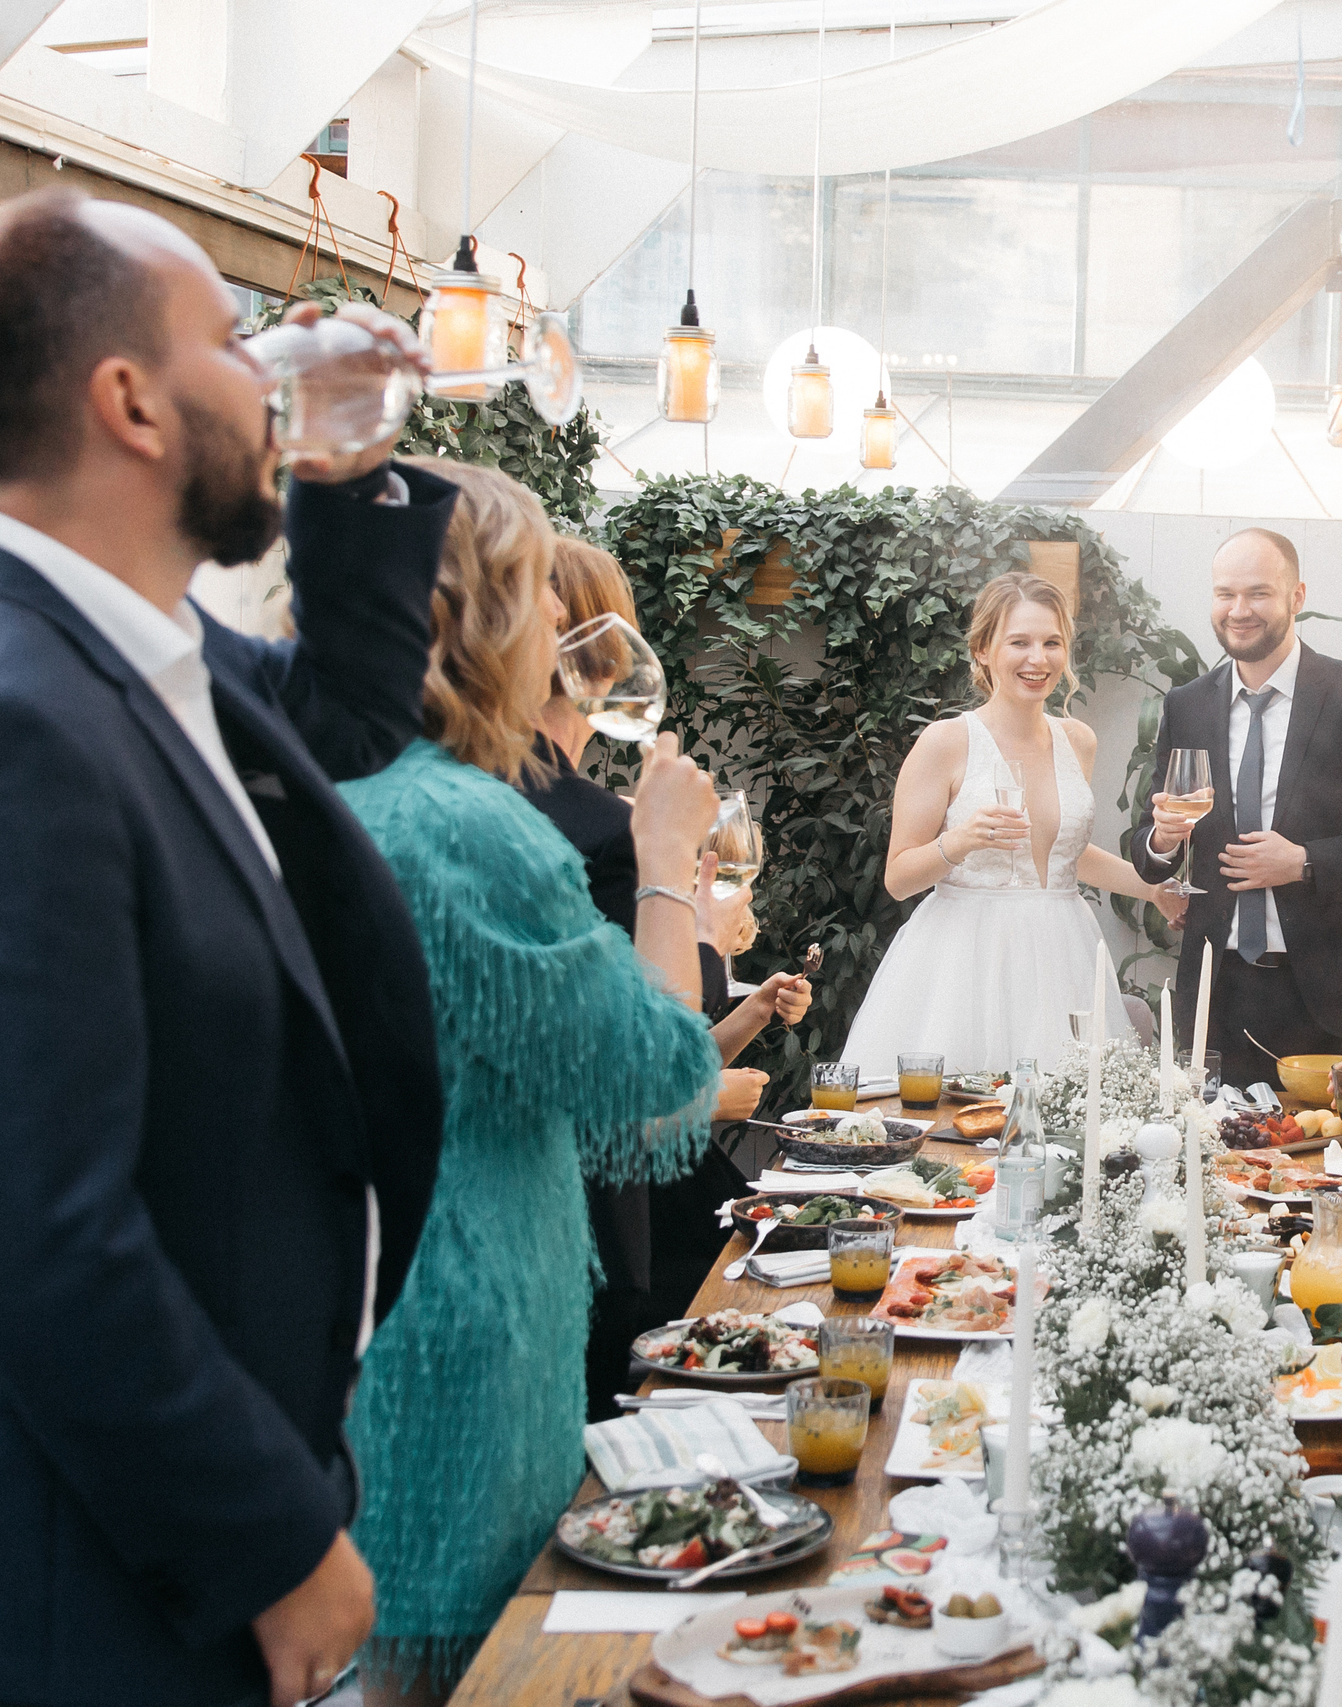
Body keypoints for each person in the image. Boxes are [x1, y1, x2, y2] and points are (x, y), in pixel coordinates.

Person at [0, 189, 449, 1707]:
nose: (270, 378)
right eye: (233, 343)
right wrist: (267, 1538)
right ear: (130, 402)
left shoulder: (155, 655)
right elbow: (39, 1223)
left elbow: (354, 713)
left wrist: (352, 468)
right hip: (108, 1575)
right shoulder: (24, 714)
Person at [339, 463, 725, 1700]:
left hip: (379, 1310)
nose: (563, 623)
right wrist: (666, 860)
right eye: (543, 597)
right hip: (471, 1325)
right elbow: (661, 1091)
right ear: (489, 618)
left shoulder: (362, 791)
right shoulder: (477, 829)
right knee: (469, 1665)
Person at [518, 537, 810, 1421]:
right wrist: (701, 926)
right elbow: (659, 1062)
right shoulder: (601, 830)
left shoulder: (490, 800)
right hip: (597, 1213)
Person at [1129, 528, 1342, 1082]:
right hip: (1216, 998)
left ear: (1297, 596)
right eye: (1225, 594)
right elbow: (1149, 852)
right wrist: (1162, 839)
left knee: (1334, 1141)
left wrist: (1304, 862)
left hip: (1331, 996)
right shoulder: (1186, 706)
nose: (1238, 610)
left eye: (1258, 593)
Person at [842, 570, 1176, 1073]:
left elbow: (1064, 852)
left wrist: (1152, 889)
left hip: (1064, 952)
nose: (1037, 659)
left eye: (1051, 643)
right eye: (1019, 642)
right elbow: (898, 878)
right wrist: (961, 841)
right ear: (982, 650)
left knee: (1068, 1102)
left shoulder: (1078, 740)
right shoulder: (946, 742)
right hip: (965, 961)